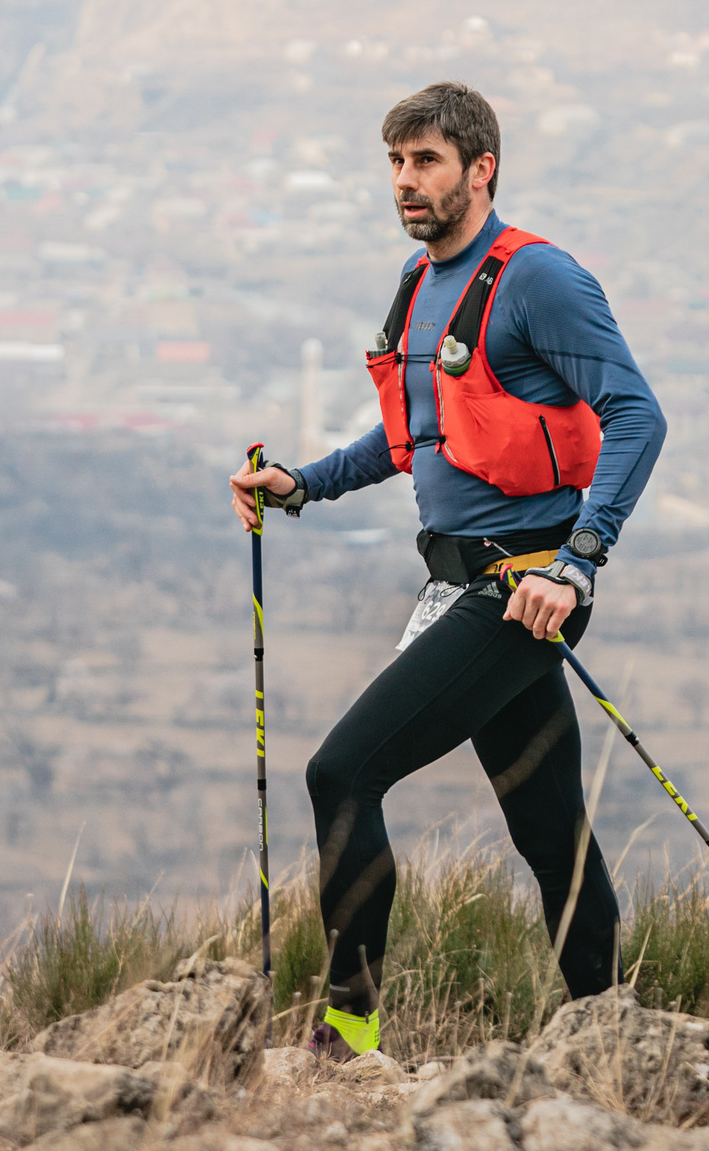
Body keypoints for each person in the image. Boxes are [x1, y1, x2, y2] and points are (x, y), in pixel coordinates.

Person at [229, 81, 666, 1060]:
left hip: (523, 590)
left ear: (481, 168)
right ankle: (608, 1034)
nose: (404, 181)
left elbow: (638, 415)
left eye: (425, 160)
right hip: (456, 585)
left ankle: (346, 1035)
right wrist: (301, 485)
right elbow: (410, 437)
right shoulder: (418, 286)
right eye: (393, 162)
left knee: (340, 773)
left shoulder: (539, 281)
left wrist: (578, 566)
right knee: (549, 831)